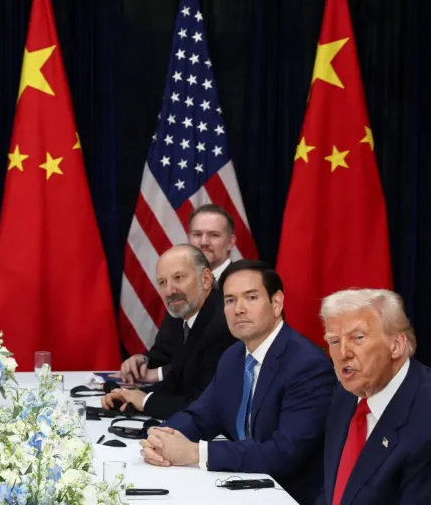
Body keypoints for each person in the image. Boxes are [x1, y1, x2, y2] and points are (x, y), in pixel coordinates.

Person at [139, 260, 334, 505]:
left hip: (290, 494)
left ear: (276, 303)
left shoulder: (307, 365)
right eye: (230, 300)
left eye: (250, 298)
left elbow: (285, 453)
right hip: (239, 486)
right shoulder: (233, 357)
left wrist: (195, 453)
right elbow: (201, 416)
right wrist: (160, 436)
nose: (238, 309)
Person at [318, 288, 431, 505]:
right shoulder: (347, 392)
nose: (343, 354)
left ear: (396, 345)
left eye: (358, 338)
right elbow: (337, 493)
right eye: (334, 341)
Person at [104, 245, 235, 418]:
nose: (170, 291)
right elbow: (177, 381)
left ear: (205, 279)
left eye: (178, 278)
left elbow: (207, 406)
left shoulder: (223, 324)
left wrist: (145, 401)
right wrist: (126, 396)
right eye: (162, 282)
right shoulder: (184, 314)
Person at [187, 203, 236, 283]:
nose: (204, 242)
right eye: (197, 234)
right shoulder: (181, 285)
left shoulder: (245, 283)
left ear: (230, 242)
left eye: (214, 235)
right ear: (189, 239)